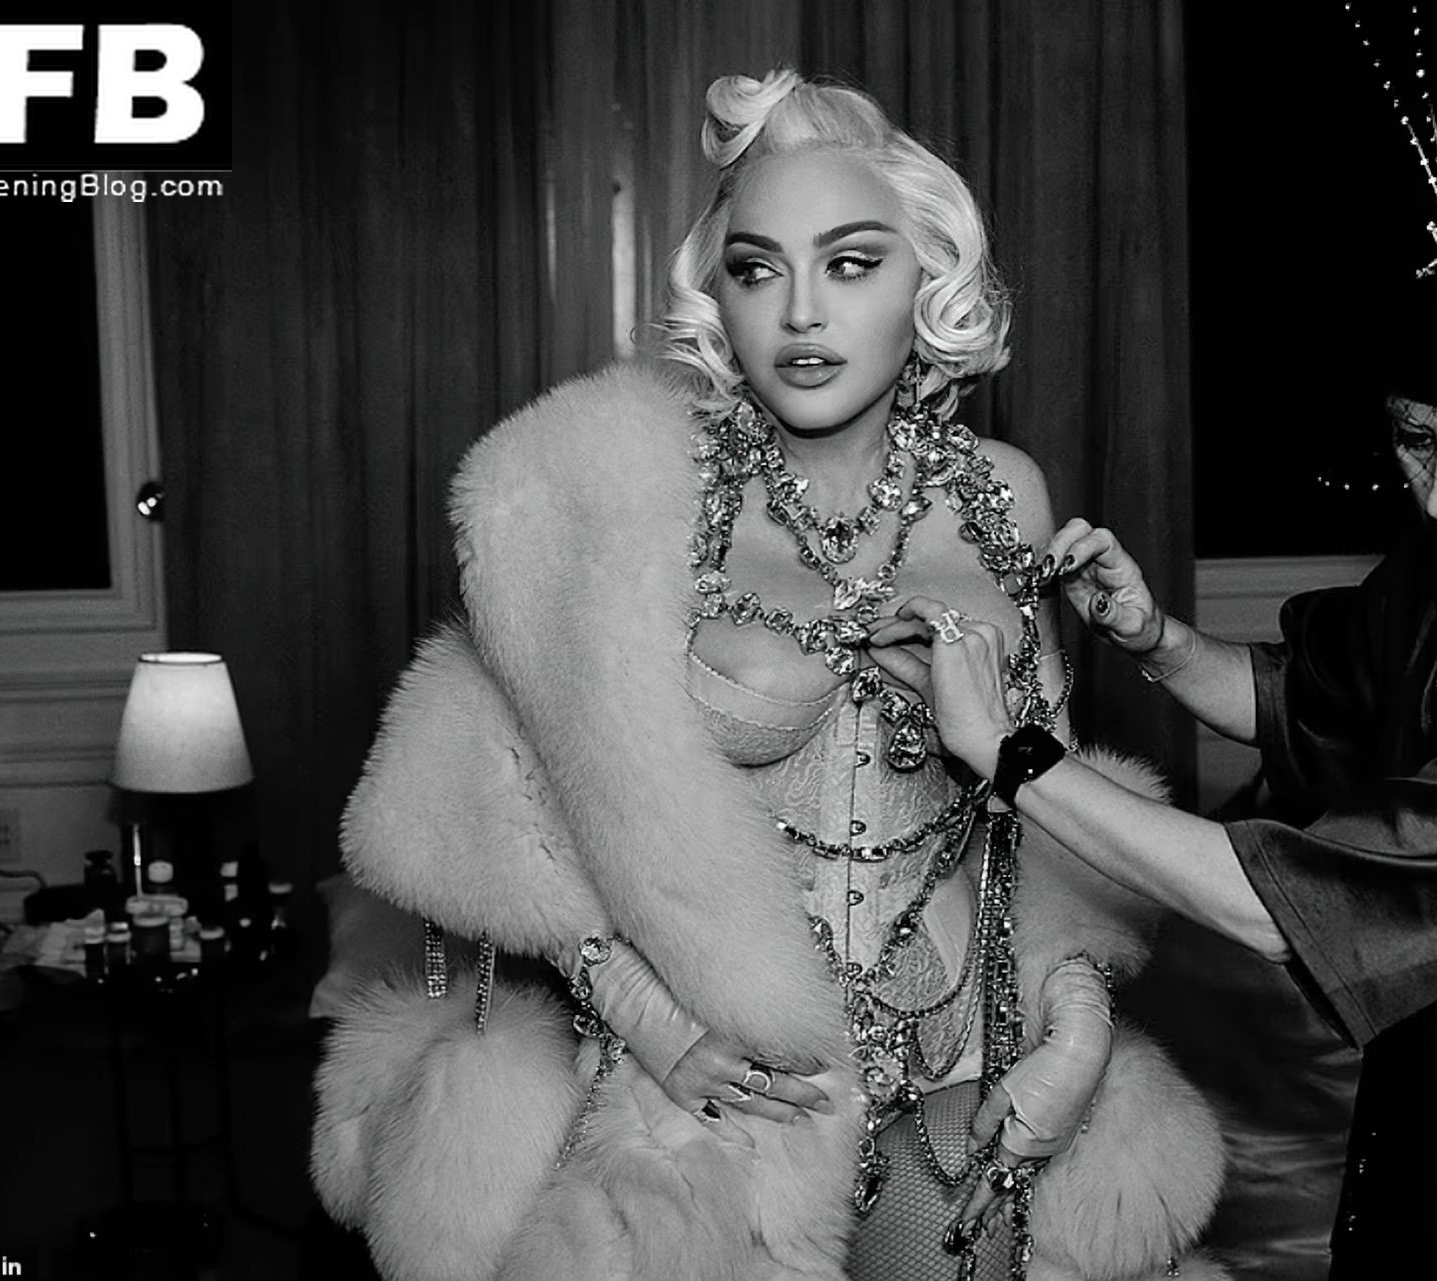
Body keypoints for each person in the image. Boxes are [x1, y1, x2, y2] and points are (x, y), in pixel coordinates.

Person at [311, 69, 1229, 1281]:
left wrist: (1079, 1029)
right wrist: (654, 1023)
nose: (801, 313)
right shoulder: (627, 497)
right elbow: (497, 814)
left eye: (850, 264)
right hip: (713, 1089)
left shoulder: (999, 492)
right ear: (719, 293)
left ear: (928, 278)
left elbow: (1044, 810)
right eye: (757, 269)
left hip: (963, 1051)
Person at [872, 154, 1437, 1279]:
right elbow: (1310, 694)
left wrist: (1008, 754)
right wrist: (1158, 638)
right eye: (1416, 436)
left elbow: (1283, 908)